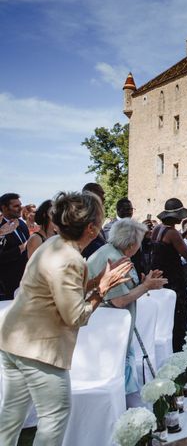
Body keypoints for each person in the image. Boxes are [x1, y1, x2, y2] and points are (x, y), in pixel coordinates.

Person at [0, 191, 132, 445]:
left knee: (11, 414)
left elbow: (58, 290)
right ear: (92, 229)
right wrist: (103, 289)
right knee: (55, 414)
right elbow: (75, 316)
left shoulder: (52, 243)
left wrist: (95, 281)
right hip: (38, 346)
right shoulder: (69, 258)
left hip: (12, 338)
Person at [88, 219, 167, 405]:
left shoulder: (112, 252)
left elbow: (123, 292)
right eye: (140, 241)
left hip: (111, 332)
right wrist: (146, 286)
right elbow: (119, 301)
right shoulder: (114, 259)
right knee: (121, 383)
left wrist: (143, 283)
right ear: (132, 244)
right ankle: (128, 420)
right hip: (110, 334)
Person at [150, 198, 187, 351]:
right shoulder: (172, 232)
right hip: (174, 279)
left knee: (164, 318)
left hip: (160, 277)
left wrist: (185, 233)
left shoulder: (157, 229)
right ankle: (178, 348)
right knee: (179, 316)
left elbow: (170, 244)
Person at [0, 193, 30, 300]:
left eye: (20, 205)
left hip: (25, 279)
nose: (20, 208)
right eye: (16, 206)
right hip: (7, 285)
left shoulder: (21, 224)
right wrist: (20, 249)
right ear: (4, 208)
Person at [80, 182, 107, 259]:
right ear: (91, 193)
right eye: (101, 193)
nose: (104, 198)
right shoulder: (82, 222)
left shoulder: (96, 221)